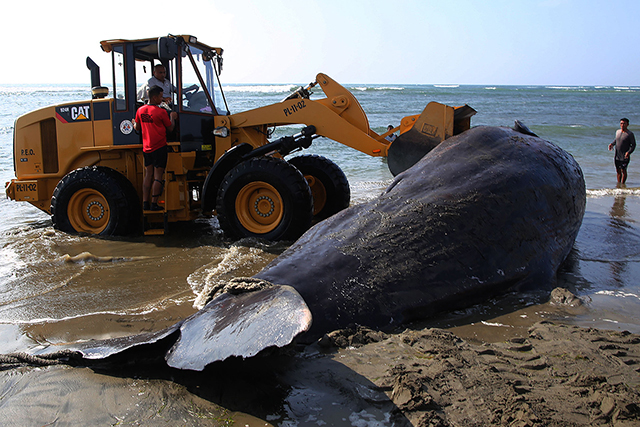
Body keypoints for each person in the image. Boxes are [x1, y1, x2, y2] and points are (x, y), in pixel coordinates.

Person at [132, 85, 178, 211]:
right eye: (160, 97)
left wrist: (133, 122)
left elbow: (137, 127)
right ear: (154, 97)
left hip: (147, 148)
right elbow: (170, 128)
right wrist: (172, 118)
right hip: (160, 147)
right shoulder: (161, 112)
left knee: (148, 174)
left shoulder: (140, 111)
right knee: (158, 176)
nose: (162, 99)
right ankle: (154, 203)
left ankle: (145, 203)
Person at [608, 118, 636, 184]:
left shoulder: (630, 134)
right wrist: (612, 144)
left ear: (627, 124)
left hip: (625, 156)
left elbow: (633, 145)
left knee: (623, 170)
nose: (622, 125)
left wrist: (629, 152)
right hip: (617, 155)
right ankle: (619, 184)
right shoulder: (618, 132)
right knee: (618, 171)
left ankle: (623, 184)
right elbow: (616, 140)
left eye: (624, 123)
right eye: (621, 123)